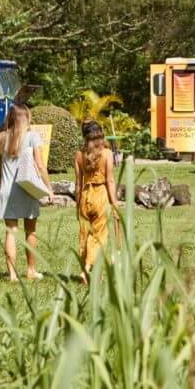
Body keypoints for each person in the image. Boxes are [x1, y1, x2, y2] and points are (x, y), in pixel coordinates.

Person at [0, 103, 54, 282]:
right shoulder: (32, 136)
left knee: (11, 231)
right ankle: (30, 270)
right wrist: (49, 188)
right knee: (30, 231)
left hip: (7, 191)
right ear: (26, 118)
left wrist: (0, 189)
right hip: (27, 189)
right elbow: (40, 165)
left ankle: (12, 274)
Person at [74, 120, 120, 282]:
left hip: (85, 196)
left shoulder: (79, 155)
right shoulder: (107, 154)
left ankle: (95, 273)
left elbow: (78, 183)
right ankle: (87, 269)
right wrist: (114, 203)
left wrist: (77, 203)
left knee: (85, 235)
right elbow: (110, 181)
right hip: (101, 195)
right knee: (99, 236)